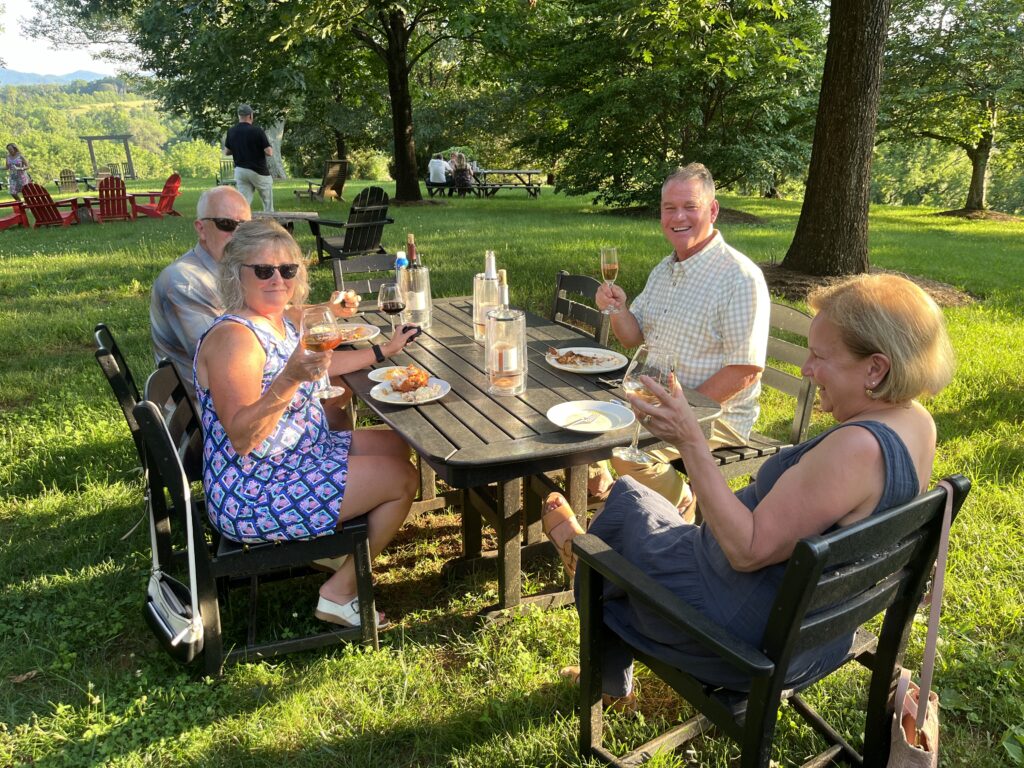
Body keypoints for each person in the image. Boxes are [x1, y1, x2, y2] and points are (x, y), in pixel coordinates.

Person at [543, 273, 955, 708]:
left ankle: (587, 586)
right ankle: (589, 568)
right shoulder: (917, 425)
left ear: (875, 367)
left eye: (819, 356)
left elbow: (746, 550)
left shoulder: (857, 450)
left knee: (611, 538)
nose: (806, 369)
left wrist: (690, 441)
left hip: (742, 638)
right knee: (632, 495)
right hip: (815, 626)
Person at [193, 219, 422, 627]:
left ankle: (331, 545)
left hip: (298, 452)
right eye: (263, 270)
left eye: (287, 269)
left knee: (396, 443)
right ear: (235, 273)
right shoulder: (236, 339)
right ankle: (340, 592)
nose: (277, 278)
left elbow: (323, 361)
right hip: (255, 487)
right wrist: (291, 378)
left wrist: (385, 350)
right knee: (402, 478)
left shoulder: (276, 318)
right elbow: (244, 438)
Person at [592, 163, 770, 515]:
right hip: (655, 398)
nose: (678, 217)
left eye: (690, 206)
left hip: (717, 416)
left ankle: (681, 503)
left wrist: (681, 413)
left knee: (624, 453)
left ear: (713, 210)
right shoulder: (665, 269)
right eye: (669, 208)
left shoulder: (739, 277)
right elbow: (632, 338)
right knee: (582, 429)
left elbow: (745, 370)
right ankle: (619, 501)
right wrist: (616, 309)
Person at [224, 104, 274, 212]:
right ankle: (270, 222)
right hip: (258, 172)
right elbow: (269, 152)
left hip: (240, 171)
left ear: (239, 116)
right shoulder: (257, 131)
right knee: (267, 203)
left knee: (244, 203)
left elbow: (227, 152)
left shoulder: (231, 131)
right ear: (250, 115)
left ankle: (242, 223)